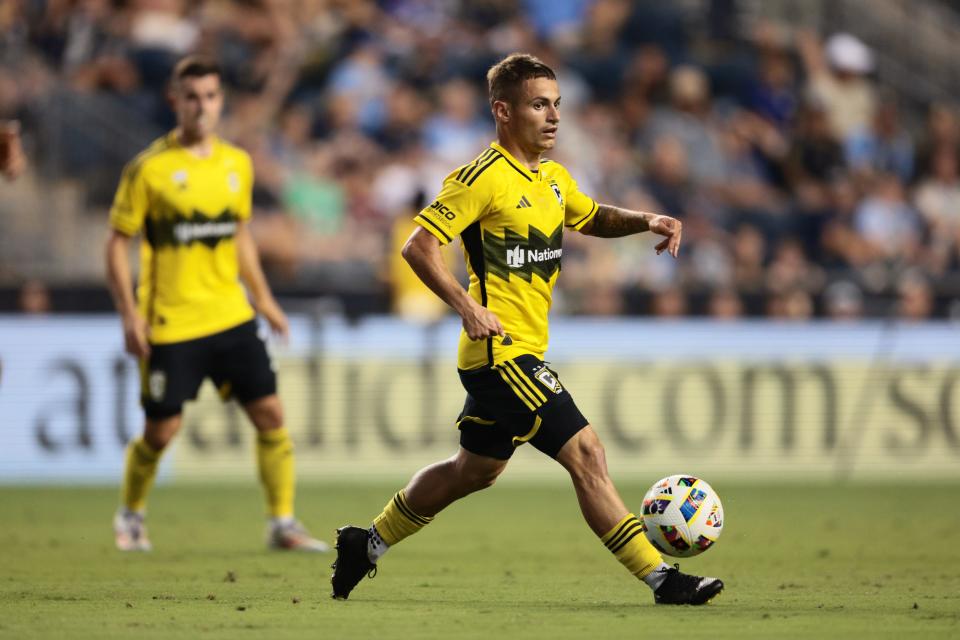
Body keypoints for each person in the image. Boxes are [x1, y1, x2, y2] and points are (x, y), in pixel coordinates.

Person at [331, 53, 723, 605]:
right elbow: (417, 247)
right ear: (503, 111)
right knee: (587, 453)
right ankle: (662, 579)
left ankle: (365, 543)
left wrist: (645, 221)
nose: (554, 116)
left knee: (473, 471)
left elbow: (590, 215)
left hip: (520, 352)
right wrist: (466, 306)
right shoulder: (479, 178)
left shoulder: (553, 180)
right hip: (501, 355)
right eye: (539, 105)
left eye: (557, 104)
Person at [105, 56, 326, 553]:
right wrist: (129, 314)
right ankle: (131, 514)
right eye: (191, 97)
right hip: (172, 321)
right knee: (162, 431)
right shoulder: (149, 169)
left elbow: (240, 235)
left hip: (229, 314)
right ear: (174, 101)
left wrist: (264, 299)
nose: (201, 106)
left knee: (270, 413)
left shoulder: (236, 163)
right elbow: (116, 243)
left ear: (219, 101)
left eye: (209, 96)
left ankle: (282, 523)